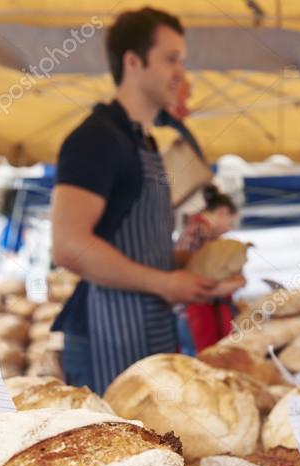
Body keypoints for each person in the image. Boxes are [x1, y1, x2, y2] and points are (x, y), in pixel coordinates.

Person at [49, 8, 217, 393]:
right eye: (171, 59)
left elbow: (132, 246)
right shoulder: (96, 139)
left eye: (183, 61)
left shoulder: (144, 142)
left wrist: (188, 265)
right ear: (133, 62)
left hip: (148, 332)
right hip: (105, 335)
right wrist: (165, 282)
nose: (181, 73)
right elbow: (69, 247)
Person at [175, 185, 245, 352]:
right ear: (222, 212)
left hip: (195, 311)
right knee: (202, 363)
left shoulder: (197, 230)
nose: (229, 228)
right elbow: (196, 280)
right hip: (194, 312)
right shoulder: (200, 231)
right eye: (231, 221)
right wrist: (231, 284)